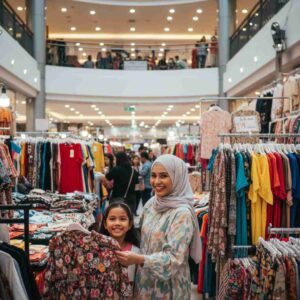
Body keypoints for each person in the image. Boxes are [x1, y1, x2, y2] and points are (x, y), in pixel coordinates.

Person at [115, 154, 201, 299]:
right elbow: (140, 237)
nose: (156, 181)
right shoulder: (151, 204)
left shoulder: (182, 214)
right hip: (144, 283)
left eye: (163, 176)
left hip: (169, 289)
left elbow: (173, 259)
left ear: (177, 177)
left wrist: (139, 259)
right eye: (153, 176)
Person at [100, 202, 140, 283]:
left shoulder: (135, 252)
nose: (117, 223)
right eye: (112, 219)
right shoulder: (97, 250)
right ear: (105, 224)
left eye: (122, 219)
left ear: (130, 224)